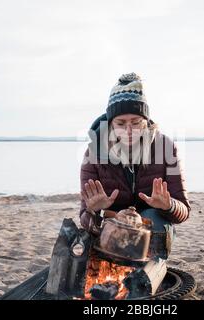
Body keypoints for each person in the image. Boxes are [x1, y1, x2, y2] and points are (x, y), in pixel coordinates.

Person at [79, 72, 190, 259]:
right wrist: (94, 211)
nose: (129, 131)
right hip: (112, 232)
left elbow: (184, 211)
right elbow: (84, 218)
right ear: (111, 123)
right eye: (121, 123)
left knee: (155, 217)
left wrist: (168, 205)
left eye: (136, 122)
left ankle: (149, 269)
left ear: (146, 121)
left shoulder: (166, 148)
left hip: (151, 230)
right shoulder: (93, 153)